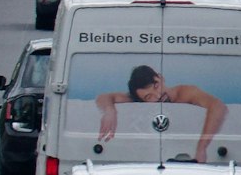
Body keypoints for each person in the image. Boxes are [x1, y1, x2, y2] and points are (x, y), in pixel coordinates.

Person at [96, 65, 229, 158]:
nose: (157, 95)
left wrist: (201, 148)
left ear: (161, 78)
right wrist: (110, 111)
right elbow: (104, 97)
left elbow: (218, 106)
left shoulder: (186, 93)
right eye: (149, 97)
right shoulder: (137, 99)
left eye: (156, 86)